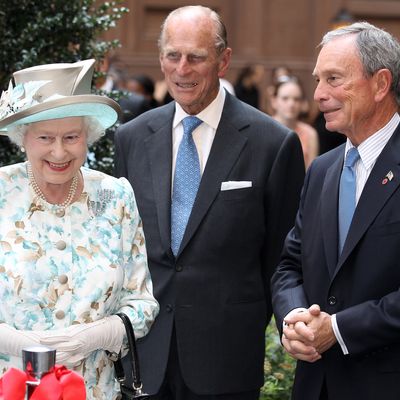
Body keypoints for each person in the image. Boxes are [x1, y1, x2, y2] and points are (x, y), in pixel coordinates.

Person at [114, 5, 305, 400]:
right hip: (144, 359)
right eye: (172, 55)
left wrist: (246, 323)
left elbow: (282, 259)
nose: (182, 69)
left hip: (227, 363)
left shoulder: (272, 144)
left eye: (196, 57)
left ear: (223, 60)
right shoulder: (131, 139)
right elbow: (122, 246)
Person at [0, 59, 159, 399]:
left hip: (96, 390)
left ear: (88, 136)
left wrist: (98, 335)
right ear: (22, 137)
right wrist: (14, 341)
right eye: (45, 137)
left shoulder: (116, 196)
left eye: (71, 137)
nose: (59, 151)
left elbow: (142, 304)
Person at [271, 22, 400, 400]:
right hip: (315, 384)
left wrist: (340, 329)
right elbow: (289, 265)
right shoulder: (322, 169)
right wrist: (294, 320)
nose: (319, 94)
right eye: (317, 80)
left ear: (380, 84)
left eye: (334, 79)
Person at [271, 76, 319, 169]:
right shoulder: (264, 130)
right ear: (274, 101)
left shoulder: (310, 134)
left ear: (302, 103)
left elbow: (311, 173)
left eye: (296, 99)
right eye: (285, 98)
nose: (291, 104)